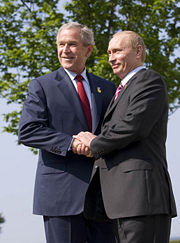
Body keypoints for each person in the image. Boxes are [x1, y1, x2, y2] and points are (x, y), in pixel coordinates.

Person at [74, 30, 177, 243]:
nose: (111, 58)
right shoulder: (121, 90)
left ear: (138, 51)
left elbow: (133, 126)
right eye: (109, 52)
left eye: (118, 51)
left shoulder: (149, 81)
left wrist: (95, 143)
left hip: (142, 200)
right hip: (121, 203)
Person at [18, 22, 116, 243]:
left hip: (103, 197)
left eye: (72, 44)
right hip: (61, 196)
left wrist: (98, 145)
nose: (65, 50)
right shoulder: (41, 86)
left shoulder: (107, 88)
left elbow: (113, 132)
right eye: (61, 45)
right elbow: (28, 130)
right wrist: (71, 143)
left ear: (88, 50)